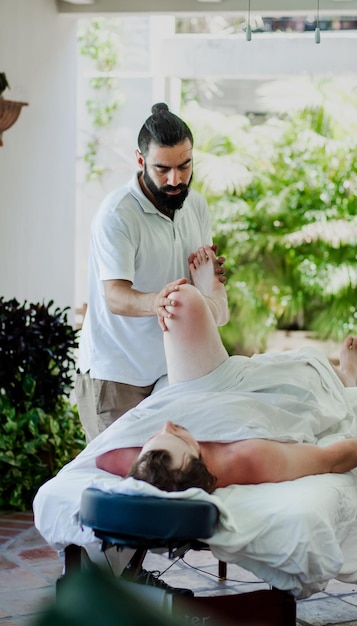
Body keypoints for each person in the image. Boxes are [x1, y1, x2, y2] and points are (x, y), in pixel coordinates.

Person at [96, 247, 357, 492]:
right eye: (178, 436)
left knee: (179, 300)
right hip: (254, 408)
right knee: (304, 373)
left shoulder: (137, 463)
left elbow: (102, 456)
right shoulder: (247, 460)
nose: (167, 426)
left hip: (201, 389)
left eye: (154, 439)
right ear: (200, 460)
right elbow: (330, 460)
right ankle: (346, 377)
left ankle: (215, 303)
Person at [76, 102, 229, 443]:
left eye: (184, 166)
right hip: (117, 375)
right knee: (120, 481)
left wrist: (209, 280)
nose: (175, 180)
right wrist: (156, 302)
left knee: (168, 475)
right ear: (141, 160)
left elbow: (196, 280)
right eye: (162, 169)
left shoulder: (197, 205)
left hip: (172, 371)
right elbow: (115, 296)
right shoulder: (117, 215)